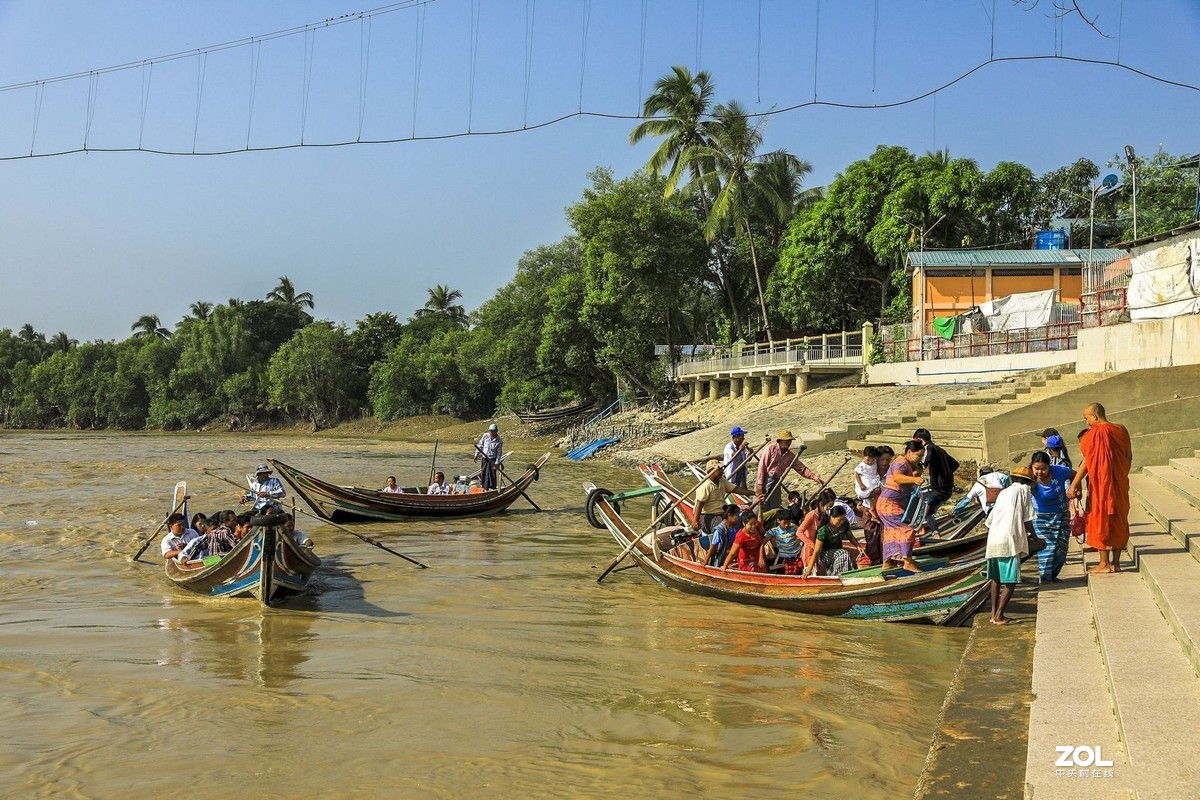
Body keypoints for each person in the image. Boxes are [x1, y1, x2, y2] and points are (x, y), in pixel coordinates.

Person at [1068, 403, 1132, 575]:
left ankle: (1104, 563)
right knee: (1119, 519)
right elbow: (1128, 455)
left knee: (1100, 519)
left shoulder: (1093, 434)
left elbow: (1087, 462)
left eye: (1086, 418)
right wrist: (1121, 475)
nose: (1087, 423)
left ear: (1094, 416)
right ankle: (1116, 564)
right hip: (1119, 483)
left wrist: (1074, 484)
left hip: (1100, 486)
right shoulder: (1121, 430)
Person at [985, 465, 1036, 624]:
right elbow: (1028, 518)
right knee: (1011, 580)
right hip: (1009, 540)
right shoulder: (1024, 490)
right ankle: (999, 615)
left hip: (993, 539)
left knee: (996, 578)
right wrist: (1035, 536)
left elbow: (990, 521)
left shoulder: (1004, 492)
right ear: (1028, 482)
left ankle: (993, 613)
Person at [876, 439, 927, 575]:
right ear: (909, 452)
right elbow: (898, 478)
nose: (919, 459)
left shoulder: (908, 465)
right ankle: (907, 562)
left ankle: (887, 563)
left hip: (888, 505)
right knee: (907, 528)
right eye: (918, 455)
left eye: (922, 456)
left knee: (891, 532)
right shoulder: (901, 463)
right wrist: (914, 480)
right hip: (888, 504)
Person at [1030, 451, 1075, 583]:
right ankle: (1044, 578)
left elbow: (1075, 474)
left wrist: (1075, 488)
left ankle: (1053, 575)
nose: (1039, 472)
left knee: (1062, 548)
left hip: (1061, 515)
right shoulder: (1028, 477)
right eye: (1036, 468)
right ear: (1032, 466)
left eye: (1043, 468)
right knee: (1046, 548)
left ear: (1049, 466)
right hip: (1040, 517)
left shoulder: (1060, 471)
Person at [755, 430, 823, 510]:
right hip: (765, 479)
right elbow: (762, 466)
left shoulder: (790, 456)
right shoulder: (770, 449)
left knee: (774, 505)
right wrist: (760, 484)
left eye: (789, 441)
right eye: (786, 441)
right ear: (780, 441)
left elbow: (801, 468)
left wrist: (814, 477)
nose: (788, 443)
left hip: (776, 481)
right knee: (760, 503)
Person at [913, 428, 959, 535]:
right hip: (948, 488)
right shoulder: (940, 449)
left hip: (938, 489)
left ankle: (927, 531)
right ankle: (931, 532)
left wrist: (920, 466)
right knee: (928, 510)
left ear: (920, 440)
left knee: (920, 505)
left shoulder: (929, 448)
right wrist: (944, 474)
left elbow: (924, 462)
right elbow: (955, 464)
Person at [805, 505, 864, 577]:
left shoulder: (844, 523)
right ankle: (837, 577)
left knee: (845, 555)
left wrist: (858, 546)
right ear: (832, 517)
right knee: (843, 554)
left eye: (843, 519)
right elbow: (816, 552)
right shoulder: (823, 531)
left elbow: (850, 536)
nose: (842, 522)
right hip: (824, 556)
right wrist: (809, 570)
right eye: (839, 520)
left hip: (838, 553)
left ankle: (842, 576)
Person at [694, 459, 741, 534]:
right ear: (710, 472)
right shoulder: (706, 485)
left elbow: (735, 489)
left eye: (721, 469)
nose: (721, 471)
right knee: (722, 528)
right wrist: (695, 521)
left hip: (721, 512)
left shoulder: (722, 481)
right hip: (707, 515)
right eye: (718, 470)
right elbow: (699, 504)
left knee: (739, 519)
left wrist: (754, 493)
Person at [762, 509, 804, 574]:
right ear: (778, 521)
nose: (787, 525)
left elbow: (801, 535)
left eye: (788, 522)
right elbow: (764, 541)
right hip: (786, 558)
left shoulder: (794, 527)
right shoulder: (774, 531)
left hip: (797, 556)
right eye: (784, 523)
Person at [474, 423, 503, 491]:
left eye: (493, 431)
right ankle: (484, 487)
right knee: (484, 473)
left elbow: (499, 453)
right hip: (485, 458)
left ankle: (493, 487)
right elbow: (480, 445)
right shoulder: (485, 436)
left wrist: (497, 462)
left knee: (492, 474)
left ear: (496, 431)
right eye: (490, 431)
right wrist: (476, 455)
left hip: (493, 459)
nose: (491, 433)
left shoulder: (499, 440)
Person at [854, 446, 882, 511]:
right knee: (868, 492)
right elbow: (857, 475)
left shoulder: (875, 462)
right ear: (863, 457)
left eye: (872, 460)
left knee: (877, 492)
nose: (870, 462)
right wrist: (861, 484)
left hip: (873, 479)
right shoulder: (862, 465)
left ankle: (871, 507)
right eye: (868, 460)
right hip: (866, 480)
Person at [723, 426, 751, 491]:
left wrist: (750, 452)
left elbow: (748, 459)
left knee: (742, 490)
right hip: (733, 475)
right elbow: (733, 455)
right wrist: (740, 450)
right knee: (735, 491)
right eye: (742, 436)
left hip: (742, 473)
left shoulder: (742, 447)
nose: (743, 438)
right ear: (737, 437)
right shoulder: (729, 446)